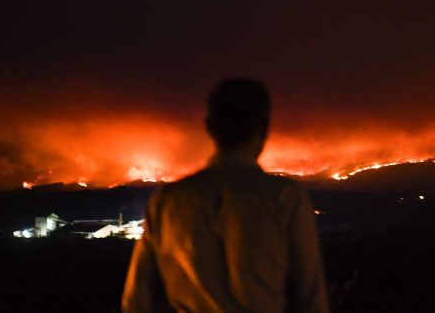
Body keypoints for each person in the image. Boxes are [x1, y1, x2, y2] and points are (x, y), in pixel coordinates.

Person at [122, 78, 329, 313]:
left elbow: (137, 301)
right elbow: (311, 300)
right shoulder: (285, 197)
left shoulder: (168, 200)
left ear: (209, 126)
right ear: (263, 127)